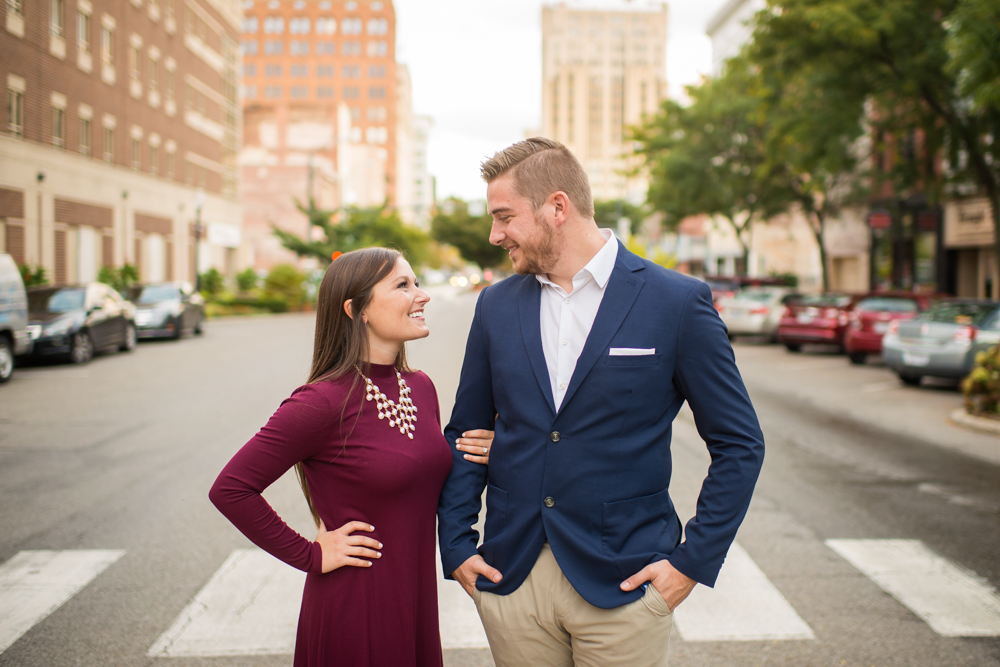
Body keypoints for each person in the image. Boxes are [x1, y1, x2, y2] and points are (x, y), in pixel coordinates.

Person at [437, 138, 766, 666]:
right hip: (511, 574)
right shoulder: (496, 305)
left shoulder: (676, 302)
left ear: (557, 208)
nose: (494, 235)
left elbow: (739, 444)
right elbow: (467, 431)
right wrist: (456, 544)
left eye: (504, 217)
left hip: (626, 578)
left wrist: (690, 564)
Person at [210, 247, 493, 667]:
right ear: (356, 309)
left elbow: (423, 476)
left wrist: (496, 451)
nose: (422, 295)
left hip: (414, 600)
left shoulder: (419, 387)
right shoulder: (321, 402)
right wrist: (310, 554)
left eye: (417, 282)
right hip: (356, 608)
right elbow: (231, 489)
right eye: (403, 285)